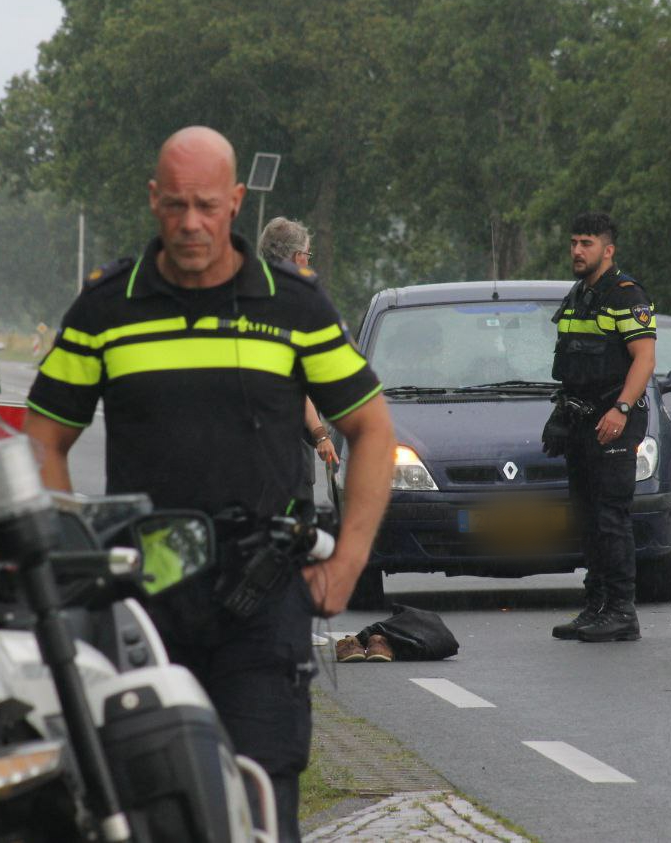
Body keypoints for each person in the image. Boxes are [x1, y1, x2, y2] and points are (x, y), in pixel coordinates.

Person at [24, 126, 395, 840]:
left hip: (261, 603)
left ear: (235, 202)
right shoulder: (107, 309)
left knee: (259, 804)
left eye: (206, 205)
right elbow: (45, 434)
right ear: (153, 200)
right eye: (176, 206)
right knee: (153, 806)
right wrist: (66, 559)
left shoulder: (294, 306)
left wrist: (347, 563)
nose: (190, 223)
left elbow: (372, 429)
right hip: (143, 603)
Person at [548, 212, 656, 643]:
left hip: (614, 419)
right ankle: (595, 606)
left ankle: (621, 611)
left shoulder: (625, 295)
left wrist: (622, 409)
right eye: (574, 241)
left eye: (587, 243)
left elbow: (644, 360)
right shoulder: (578, 295)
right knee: (587, 517)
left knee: (611, 517)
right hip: (582, 419)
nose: (577, 250)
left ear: (607, 250)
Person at [257, 216, 339, 499]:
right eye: (307, 255)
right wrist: (321, 434)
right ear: (295, 257)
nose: (308, 262)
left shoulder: (240, 300)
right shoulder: (293, 307)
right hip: (285, 454)